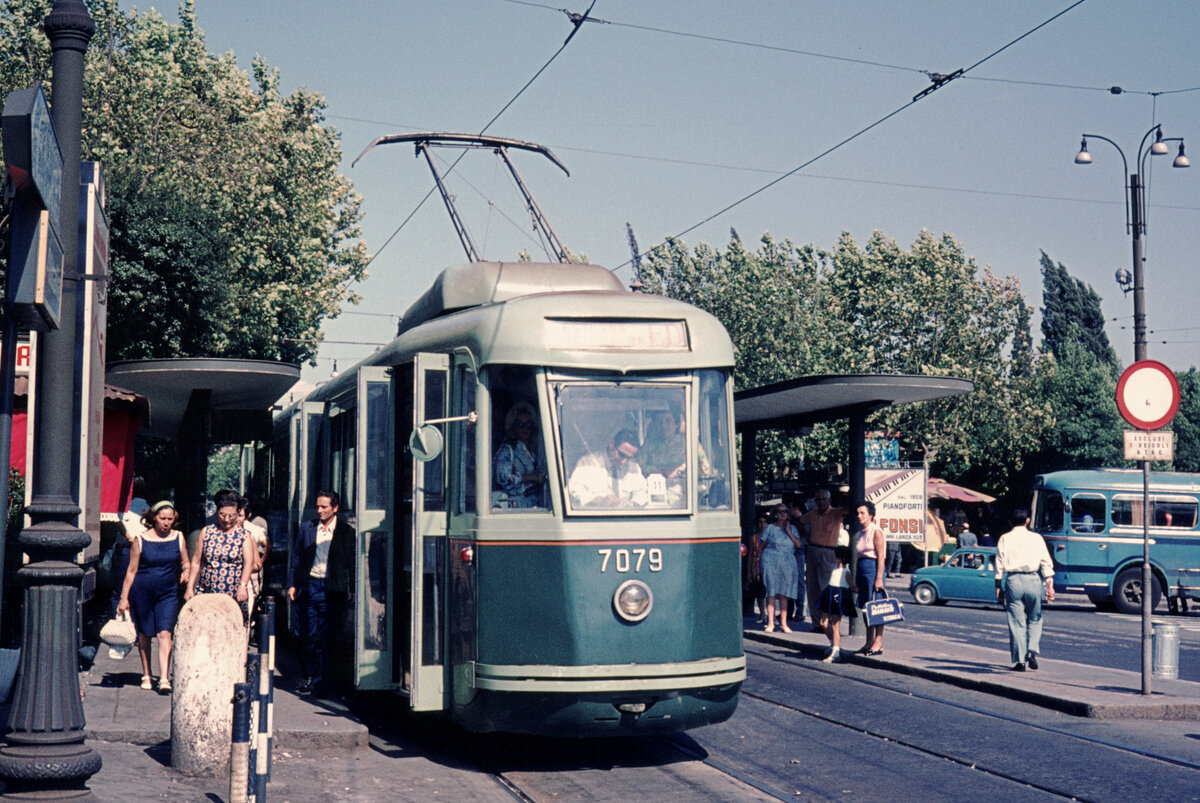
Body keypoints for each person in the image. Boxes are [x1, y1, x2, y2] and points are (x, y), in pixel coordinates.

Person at [287, 490, 356, 696]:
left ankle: (321, 680)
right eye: (318, 506)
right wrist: (292, 584)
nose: (320, 510)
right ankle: (311, 674)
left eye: (324, 507)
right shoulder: (307, 528)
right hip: (309, 586)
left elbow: (351, 563)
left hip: (332, 589)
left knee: (327, 637)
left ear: (335, 508)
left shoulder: (345, 531)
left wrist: (351, 589)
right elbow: (297, 557)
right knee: (306, 633)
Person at [116, 500, 189, 692]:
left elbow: (186, 563)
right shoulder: (141, 540)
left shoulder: (179, 538)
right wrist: (123, 599)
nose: (166, 523)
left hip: (168, 592)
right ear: (154, 518)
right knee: (145, 634)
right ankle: (147, 673)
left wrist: (186, 572)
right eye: (162, 518)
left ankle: (164, 678)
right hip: (142, 592)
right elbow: (131, 571)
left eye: (170, 519)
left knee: (165, 632)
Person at [995, 508, 1055, 671]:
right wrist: (1049, 581)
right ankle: (1032, 650)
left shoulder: (1004, 538)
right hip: (1033, 579)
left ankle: (1020, 661)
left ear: (1010, 522)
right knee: (1035, 618)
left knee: (1016, 621)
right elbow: (1045, 561)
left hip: (1013, 580)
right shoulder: (1036, 538)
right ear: (1027, 520)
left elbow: (999, 564)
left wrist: (998, 586)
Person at [185, 490, 255, 614]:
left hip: (233, 593)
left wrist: (243, 586)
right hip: (207, 592)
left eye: (231, 516)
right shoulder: (206, 532)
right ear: (217, 511)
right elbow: (196, 562)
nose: (226, 519)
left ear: (238, 513)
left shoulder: (244, 536)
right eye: (222, 515)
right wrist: (190, 587)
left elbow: (248, 564)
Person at [799, 489, 845, 631]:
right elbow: (799, 522)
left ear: (829, 500)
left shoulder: (836, 513)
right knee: (812, 587)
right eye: (818, 499)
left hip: (828, 552)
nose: (821, 502)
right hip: (813, 549)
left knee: (826, 587)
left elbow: (850, 508)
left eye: (824, 499)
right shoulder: (812, 514)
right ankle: (817, 623)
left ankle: (828, 621)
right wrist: (806, 536)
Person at [567, 428, 647, 508]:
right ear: (612, 444)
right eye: (622, 455)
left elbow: (643, 493)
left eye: (629, 457)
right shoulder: (588, 463)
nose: (624, 461)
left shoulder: (633, 468)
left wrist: (631, 503)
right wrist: (597, 500)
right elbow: (573, 491)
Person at [493, 401, 546, 508]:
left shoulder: (536, 451)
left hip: (538, 504)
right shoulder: (507, 449)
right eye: (520, 424)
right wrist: (532, 477)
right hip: (517, 507)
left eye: (529, 424)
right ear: (512, 426)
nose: (525, 428)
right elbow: (503, 479)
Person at [759, 505, 803, 633]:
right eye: (780, 512)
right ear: (775, 514)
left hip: (787, 562)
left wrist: (788, 530)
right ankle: (771, 622)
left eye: (785, 512)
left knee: (785, 592)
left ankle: (784, 623)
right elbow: (762, 545)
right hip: (770, 560)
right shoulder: (769, 528)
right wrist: (757, 562)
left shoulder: (793, 528)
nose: (783, 514)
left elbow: (798, 544)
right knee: (771, 592)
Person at [855, 500, 887, 655]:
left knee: (877, 607)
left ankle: (878, 642)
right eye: (858, 513)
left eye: (863, 513)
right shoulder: (862, 533)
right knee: (866, 608)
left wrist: (879, 578)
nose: (859, 516)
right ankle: (869, 641)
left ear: (871, 515)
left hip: (873, 570)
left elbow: (881, 556)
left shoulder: (876, 531)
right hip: (863, 571)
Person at [817, 543, 857, 662]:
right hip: (829, 594)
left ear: (841, 558)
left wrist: (860, 589)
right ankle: (833, 644)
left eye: (836, 556)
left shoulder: (846, 572)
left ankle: (836, 651)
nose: (833, 558)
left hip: (837, 596)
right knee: (823, 623)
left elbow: (852, 586)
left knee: (835, 625)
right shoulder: (835, 568)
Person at [238, 496, 270, 615]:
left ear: (248, 515)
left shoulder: (252, 531)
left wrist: (260, 561)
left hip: (249, 578)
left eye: (240, 515)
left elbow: (267, 545)